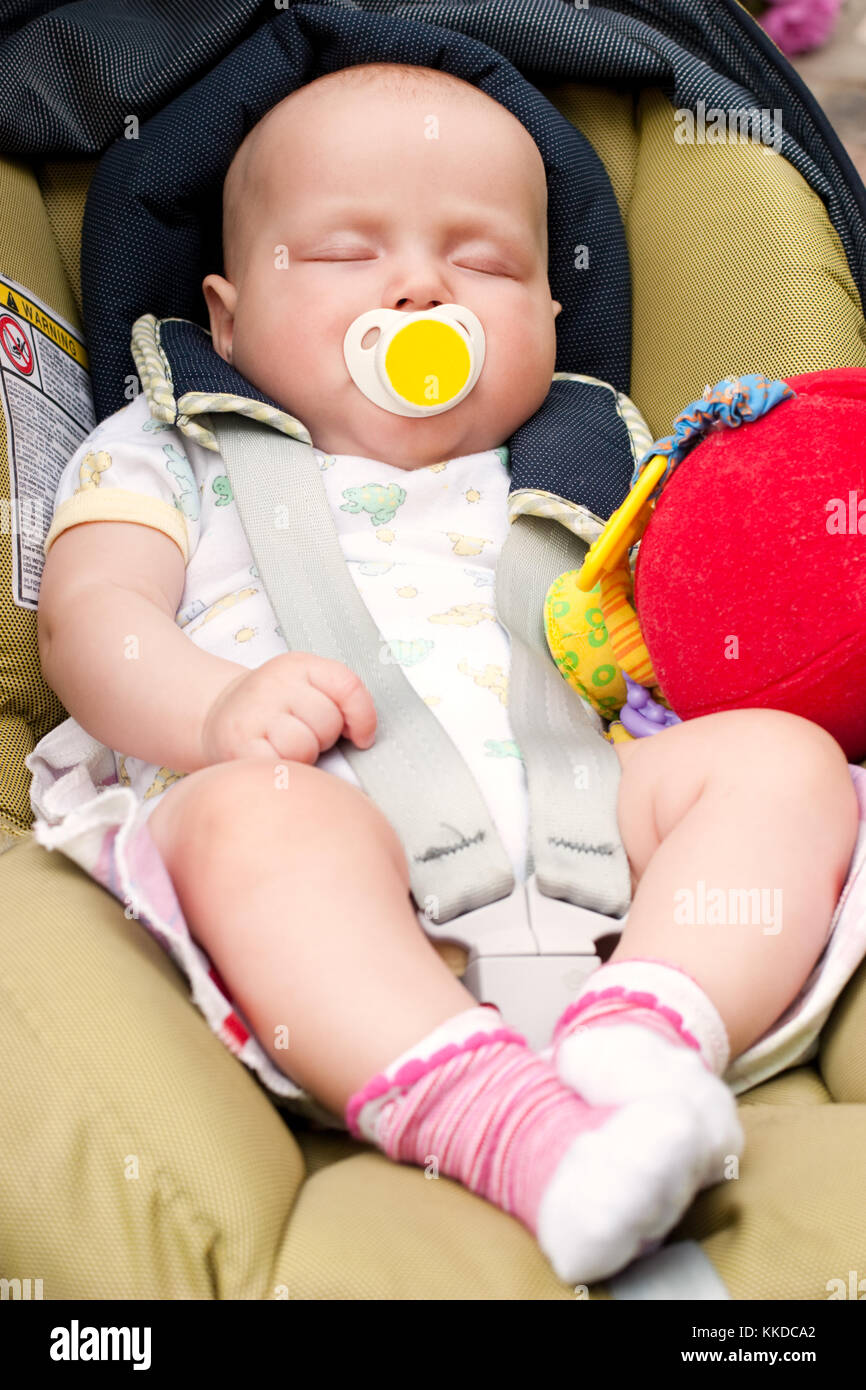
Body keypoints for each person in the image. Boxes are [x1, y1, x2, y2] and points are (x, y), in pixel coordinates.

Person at [29, 62, 864, 1285]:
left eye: (480, 262)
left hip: (598, 823)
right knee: (251, 825)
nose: (420, 287)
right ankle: (506, 1122)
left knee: (784, 764)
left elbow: (704, 622)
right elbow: (91, 622)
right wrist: (213, 707)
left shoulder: (596, 452)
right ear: (224, 314)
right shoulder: (166, 448)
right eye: (342, 255)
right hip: (311, 836)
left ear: (548, 306)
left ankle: (649, 1025)